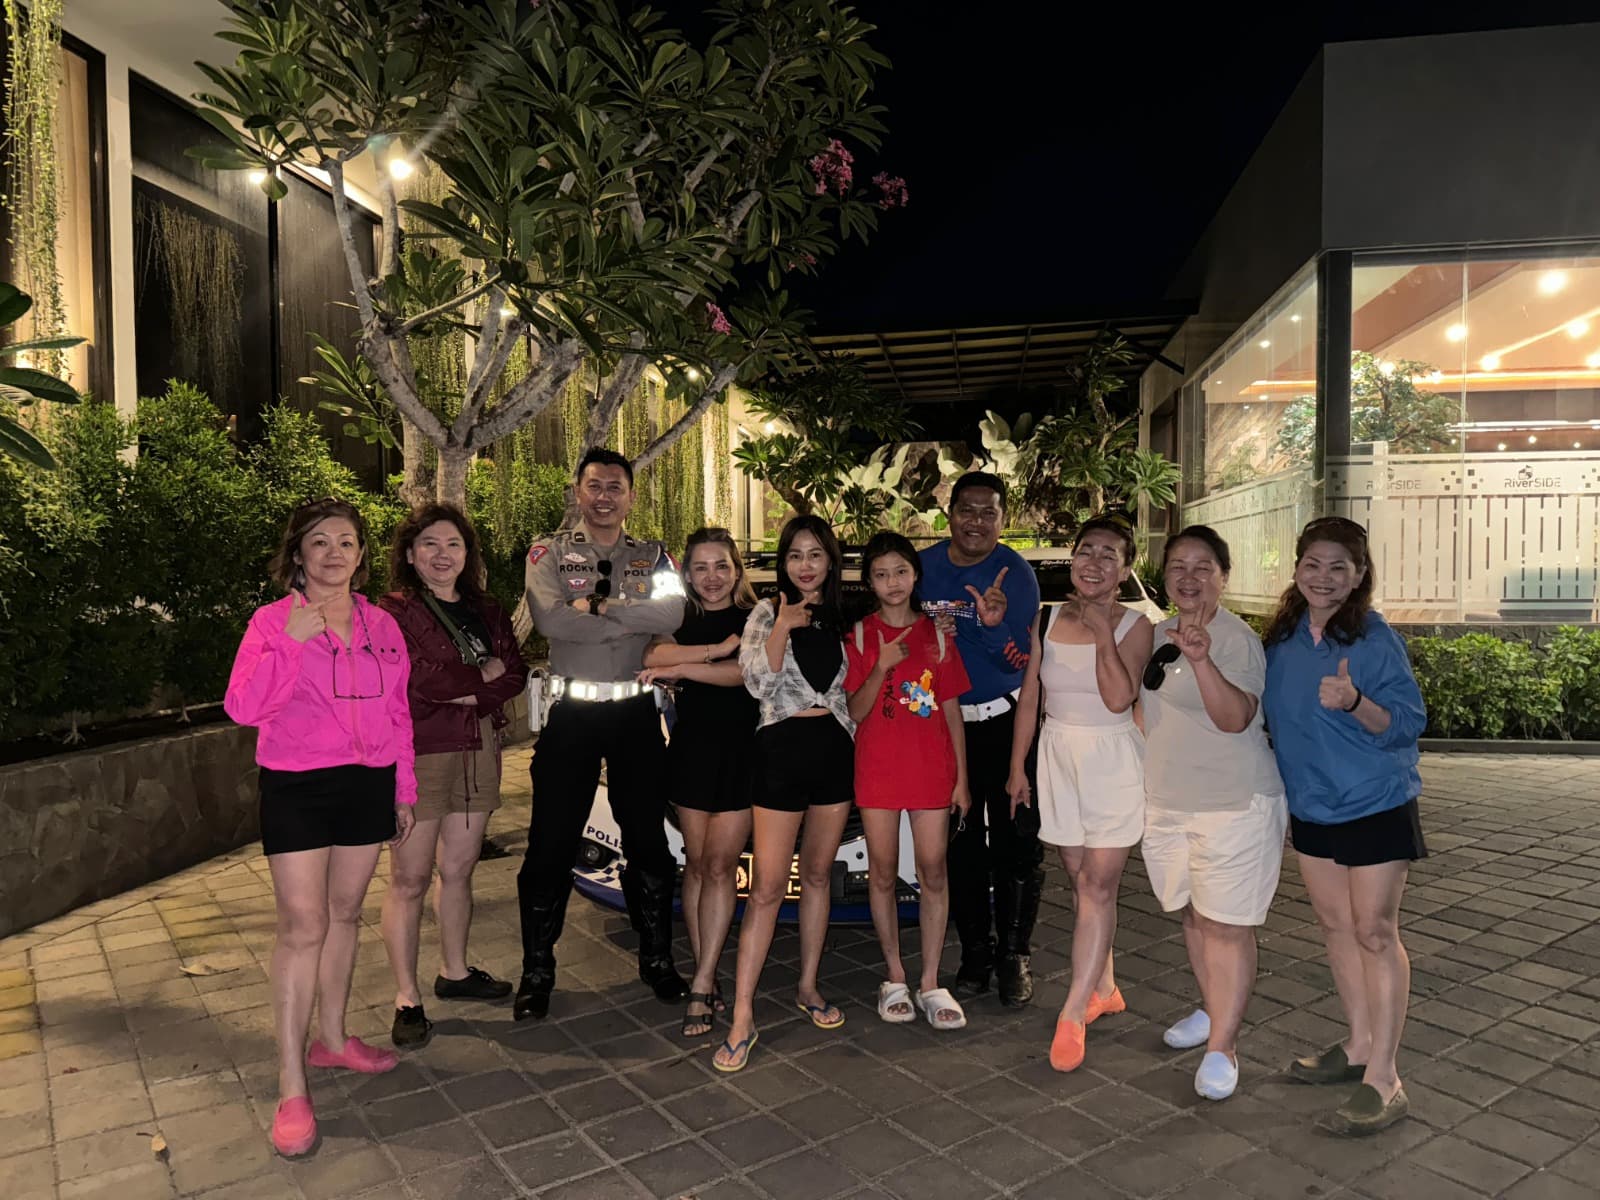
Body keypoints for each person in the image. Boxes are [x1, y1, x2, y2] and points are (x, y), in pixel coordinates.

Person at [224, 498, 417, 1158]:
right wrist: (290, 643)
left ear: (362, 555)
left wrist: (404, 790)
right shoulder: (273, 621)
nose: (334, 552)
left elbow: (398, 710)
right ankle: (290, 1082)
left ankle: (333, 1040)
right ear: (298, 554)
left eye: (347, 542)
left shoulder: (382, 623)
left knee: (344, 912)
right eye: (319, 542)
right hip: (299, 785)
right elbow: (244, 705)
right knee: (302, 925)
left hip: (369, 782)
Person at [1263, 515, 1427, 1136]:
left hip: (1374, 803)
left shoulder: (1374, 638)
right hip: (1311, 807)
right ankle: (1358, 1045)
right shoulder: (1281, 637)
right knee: (1335, 927)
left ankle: (1385, 1078)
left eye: (1339, 567)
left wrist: (1357, 703)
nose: (1324, 577)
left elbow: (1410, 722)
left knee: (1374, 932)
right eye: (1314, 564)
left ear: (1359, 575)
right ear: (1298, 568)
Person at [515, 448, 689, 1020]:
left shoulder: (654, 554)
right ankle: (537, 972)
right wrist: (627, 610)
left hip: (636, 714)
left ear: (630, 495)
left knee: (648, 839)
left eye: (616, 486)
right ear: (579, 490)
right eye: (595, 485)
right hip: (574, 715)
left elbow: (672, 617)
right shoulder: (549, 553)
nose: (605, 495)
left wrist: (595, 604)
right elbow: (549, 618)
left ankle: (658, 959)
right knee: (550, 841)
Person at [1139, 525, 1287, 1101]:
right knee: (1197, 918)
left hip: (1234, 805)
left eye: (1204, 567)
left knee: (1227, 926)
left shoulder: (1234, 639)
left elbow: (1235, 718)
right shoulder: (1155, 634)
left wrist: (1201, 660)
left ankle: (1224, 1045)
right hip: (1170, 803)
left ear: (1224, 576)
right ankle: (1211, 1009)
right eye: (1178, 565)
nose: (1190, 577)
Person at [378, 504, 528, 1048]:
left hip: (478, 747)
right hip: (419, 751)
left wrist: (475, 685)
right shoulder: (392, 612)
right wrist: (476, 678)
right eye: (431, 545)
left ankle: (455, 971)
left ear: (468, 554)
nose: (443, 556)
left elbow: (514, 673)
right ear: (411, 555)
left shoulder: (486, 609)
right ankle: (406, 997)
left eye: (454, 545)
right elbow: (414, 681)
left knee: (459, 869)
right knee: (409, 878)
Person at [1008, 515, 1152, 1073]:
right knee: (1079, 879)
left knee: (1096, 884)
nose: (1094, 562)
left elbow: (1120, 698)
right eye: (1086, 550)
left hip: (1113, 758)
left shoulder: (1137, 624)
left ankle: (1073, 1010)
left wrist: (1100, 632)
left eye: (1108, 554)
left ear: (1125, 568)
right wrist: (1018, 767)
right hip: (1057, 758)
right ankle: (1107, 987)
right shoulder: (1044, 617)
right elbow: (1029, 699)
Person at [713, 515, 855, 1072]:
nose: (805, 565)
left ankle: (809, 986)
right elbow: (756, 682)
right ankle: (743, 1016)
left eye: (815, 554)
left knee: (819, 875)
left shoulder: (847, 617)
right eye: (795, 554)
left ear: (830, 561)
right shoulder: (765, 612)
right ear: (783, 561)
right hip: (779, 754)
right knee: (769, 887)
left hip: (834, 754)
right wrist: (782, 627)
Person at [919, 472, 1045, 1006]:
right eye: (966, 510)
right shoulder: (922, 568)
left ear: (1003, 517)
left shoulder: (1015, 575)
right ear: (948, 513)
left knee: (1016, 839)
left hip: (1004, 723)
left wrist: (993, 626)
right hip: (943, 728)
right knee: (962, 843)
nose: (976, 521)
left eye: (988, 512)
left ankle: (1014, 954)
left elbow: (1022, 663)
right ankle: (974, 951)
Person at [845, 532, 971, 1031]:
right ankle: (894, 975)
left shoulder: (938, 636)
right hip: (877, 767)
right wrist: (881, 666)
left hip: (931, 769)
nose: (892, 582)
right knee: (881, 872)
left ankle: (931, 981)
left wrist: (961, 779)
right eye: (881, 574)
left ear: (915, 575)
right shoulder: (858, 635)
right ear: (870, 582)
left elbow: (953, 710)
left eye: (900, 571)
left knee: (934, 870)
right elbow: (854, 711)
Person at [637, 527, 760, 1039]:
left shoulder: (758, 617)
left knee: (719, 865)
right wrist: (714, 651)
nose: (712, 577)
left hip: (742, 755)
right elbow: (649, 659)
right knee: (695, 865)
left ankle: (704, 980)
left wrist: (687, 665)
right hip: (690, 755)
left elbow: (746, 674)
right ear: (687, 574)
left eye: (722, 566)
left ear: (736, 569)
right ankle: (704, 969)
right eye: (701, 568)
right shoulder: (677, 617)